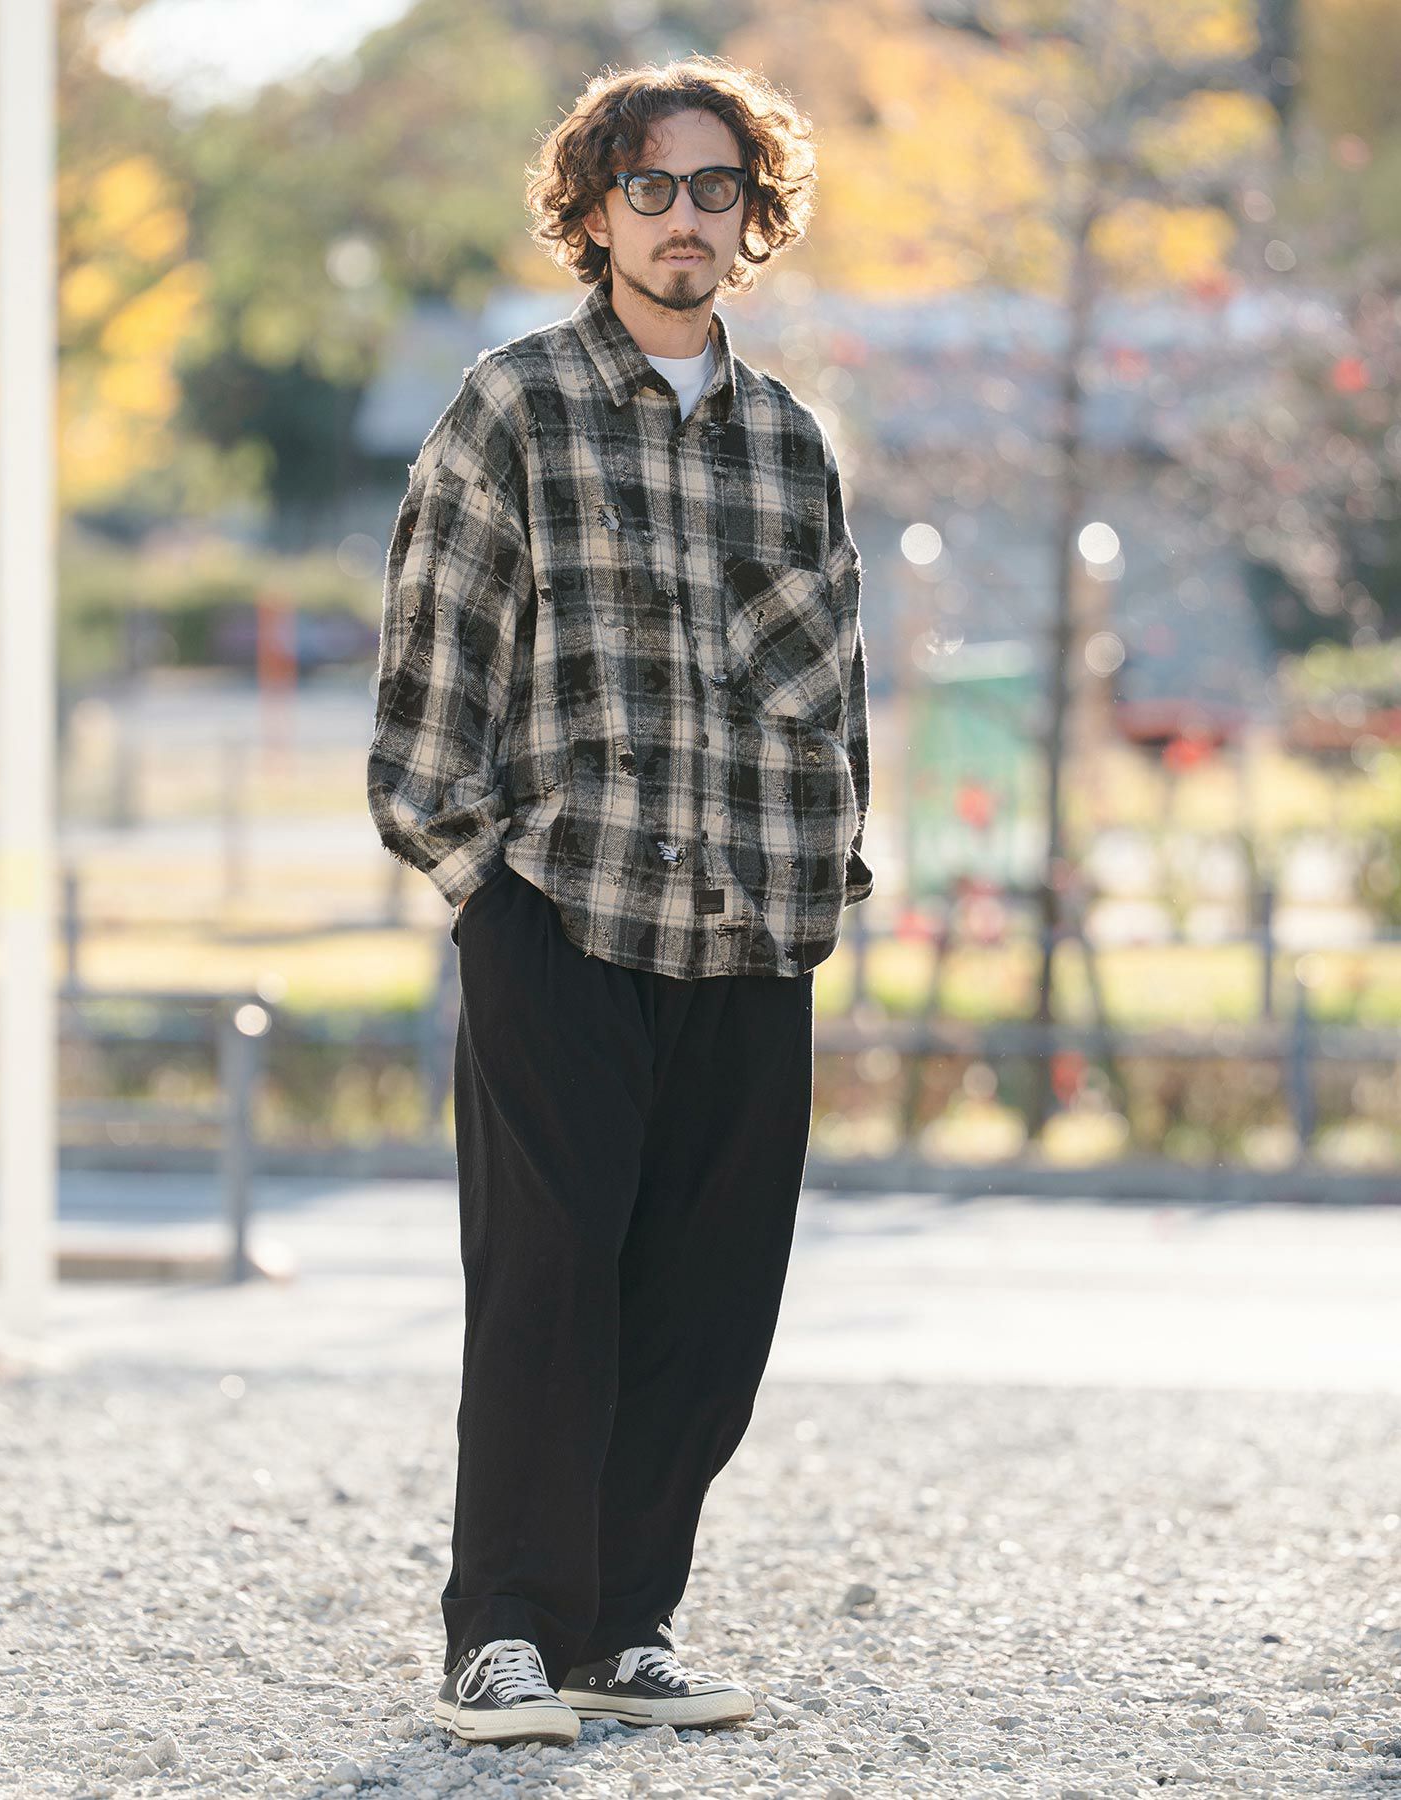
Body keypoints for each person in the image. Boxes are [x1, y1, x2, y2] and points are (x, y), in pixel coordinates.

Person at [366, 51, 873, 1748]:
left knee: (712, 1301)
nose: (682, 217)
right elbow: (432, 668)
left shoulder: (790, 442)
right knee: (549, 1287)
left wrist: (827, 878)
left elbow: (836, 692)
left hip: (752, 930)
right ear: (594, 213)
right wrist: (478, 890)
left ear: (752, 215)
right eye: (648, 187)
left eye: (715, 186)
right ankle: (503, 1633)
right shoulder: (512, 406)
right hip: (562, 917)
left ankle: (624, 1624)